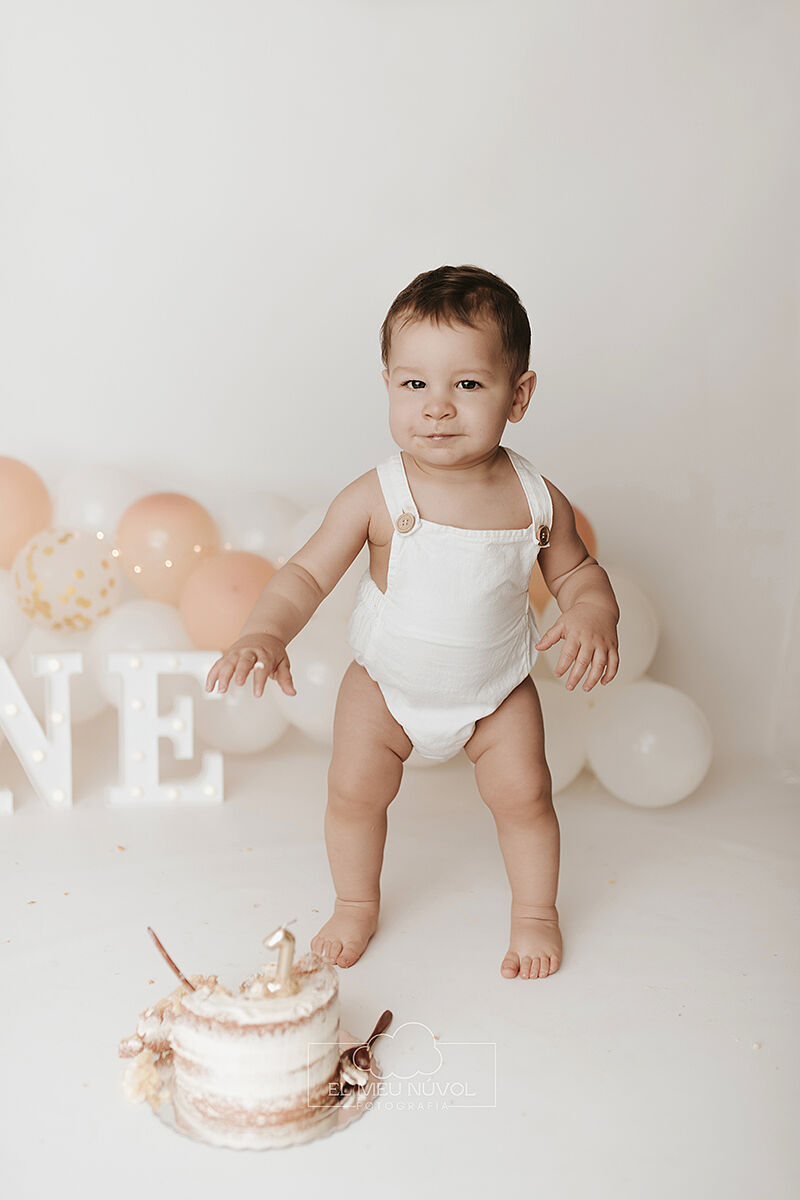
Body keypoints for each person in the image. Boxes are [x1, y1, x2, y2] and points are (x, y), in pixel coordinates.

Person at [205, 265, 620, 980]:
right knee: (353, 794)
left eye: (467, 384)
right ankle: (355, 901)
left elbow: (578, 572)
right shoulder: (377, 493)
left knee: (526, 797)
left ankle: (535, 914)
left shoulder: (535, 497)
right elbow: (305, 574)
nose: (437, 407)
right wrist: (265, 632)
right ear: (389, 386)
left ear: (517, 396)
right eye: (413, 384)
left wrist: (592, 611)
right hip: (386, 689)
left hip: (496, 694)